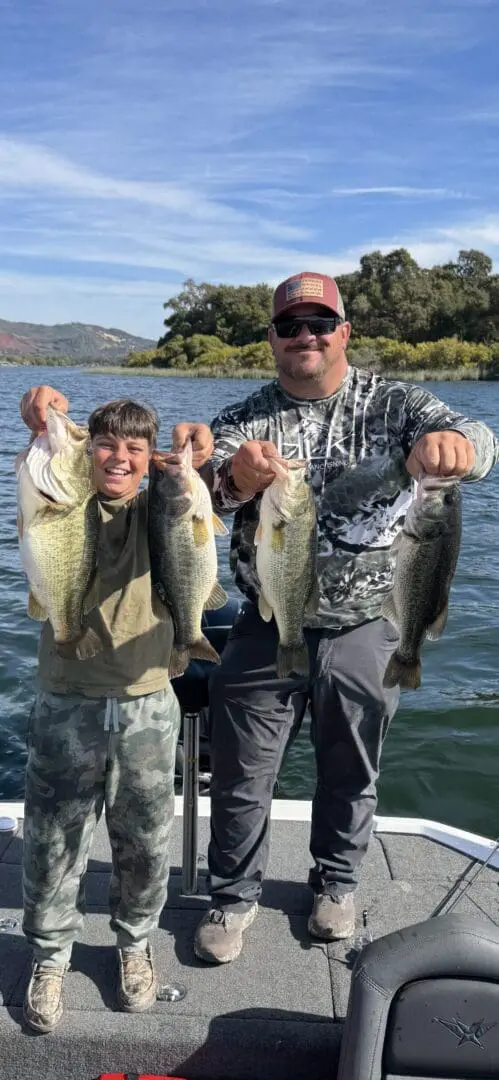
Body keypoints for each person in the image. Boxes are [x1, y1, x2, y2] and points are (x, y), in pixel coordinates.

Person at [176, 271, 497, 965]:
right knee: (240, 775)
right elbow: (194, 498)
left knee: (352, 769)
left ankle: (336, 882)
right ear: (271, 340)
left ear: (344, 332)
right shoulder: (245, 418)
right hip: (267, 623)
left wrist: (458, 449)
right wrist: (232, 479)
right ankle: (233, 897)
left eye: (320, 323)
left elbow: (478, 437)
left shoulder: (397, 403)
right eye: (290, 326)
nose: (305, 337)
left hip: (368, 625)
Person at [17, 397, 195, 1034]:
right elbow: (41, 451)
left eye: (134, 450)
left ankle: (134, 944)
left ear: (151, 462)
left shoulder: (162, 507)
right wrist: (38, 416)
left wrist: (200, 467)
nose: (118, 458)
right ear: (86, 449)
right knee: (54, 843)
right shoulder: (60, 495)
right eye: (105, 445)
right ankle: (48, 955)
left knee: (145, 845)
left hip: (150, 702)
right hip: (67, 700)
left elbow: (215, 496)